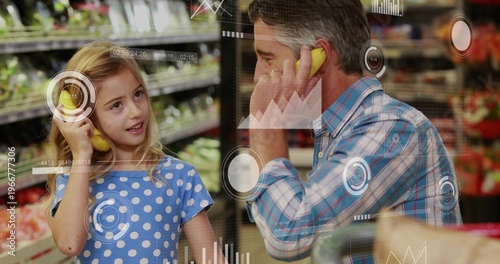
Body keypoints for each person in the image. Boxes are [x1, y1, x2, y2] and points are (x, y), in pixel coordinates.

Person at [245, 0, 462, 262]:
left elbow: (288, 235)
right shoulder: (339, 126)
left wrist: (265, 127)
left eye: (267, 58)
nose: (258, 76)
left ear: (318, 56)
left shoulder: (390, 129)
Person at [44, 41, 224, 264]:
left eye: (138, 94)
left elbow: (211, 259)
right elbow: (69, 243)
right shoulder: (77, 180)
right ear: (85, 118)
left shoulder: (179, 175)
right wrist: (81, 154)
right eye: (116, 105)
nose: (136, 111)